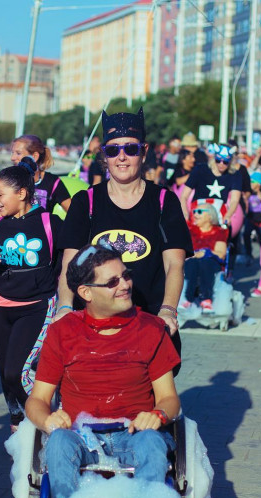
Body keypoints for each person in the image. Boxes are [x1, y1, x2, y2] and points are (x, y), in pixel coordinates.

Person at [26, 246, 181, 498]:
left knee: (152, 443)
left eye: (126, 275)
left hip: (134, 433)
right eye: (111, 282)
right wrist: (48, 418)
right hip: (80, 435)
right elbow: (37, 400)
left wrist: (158, 414)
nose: (125, 285)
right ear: (86, 292)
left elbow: (169, 398)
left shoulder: (151, 329)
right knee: (59, 441)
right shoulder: (62, 332)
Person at [58, 107, 193, 359]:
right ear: (104, 156)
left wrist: (168, 311)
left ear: (144, 152)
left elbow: (175, 264)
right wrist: (64, 306)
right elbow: (70, 261)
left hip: (149, 322)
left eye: (130, 148)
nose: (122, 157)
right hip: (93, 322)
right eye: (113, 149)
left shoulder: (165, 201)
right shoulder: (84, 202)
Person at [0, 157, 62, 431]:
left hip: (35, 307)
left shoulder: (49, 223)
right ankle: (18, 419)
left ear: (21, 193)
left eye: (0, 194)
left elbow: (66, 262)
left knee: (16, 373)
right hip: (0, 308)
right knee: (4, 371)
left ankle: (48, 420)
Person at [181, 202, 229, 313]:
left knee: (205, 262)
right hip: (191, 263)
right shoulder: (190, 231)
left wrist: (206, 253)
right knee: (192, 263)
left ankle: (206, 298)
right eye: (194, 211)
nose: (195, 214)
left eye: (199, 212)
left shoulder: (220, 232)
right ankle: (189, 298)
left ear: (210, 215)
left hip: (212, 264)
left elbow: (221, 253)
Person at [10, 135, 72, 215]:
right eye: (12, 153)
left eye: (18, 153)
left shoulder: (53, 182)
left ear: (34, 157)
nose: (12, 158)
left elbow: (74, 213)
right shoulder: (8, 179)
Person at [243, 171, 261, 261]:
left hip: (260, 218)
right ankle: (248, 253)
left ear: (258, 183)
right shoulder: (249, 191)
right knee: (246, 235)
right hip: (250, 217)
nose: (251, 183)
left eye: (252, 182)